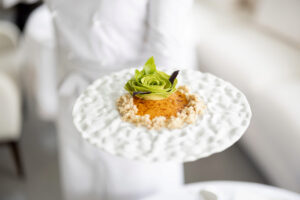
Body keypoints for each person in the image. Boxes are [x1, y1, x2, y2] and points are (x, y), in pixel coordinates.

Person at [24, 0, 196, 199]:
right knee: (82, 187)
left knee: (137, 191)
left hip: (135, 103)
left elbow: (167, 48)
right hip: (76, 99)